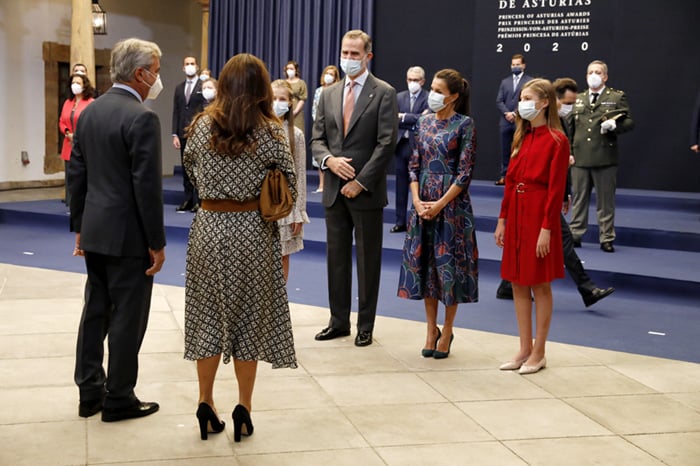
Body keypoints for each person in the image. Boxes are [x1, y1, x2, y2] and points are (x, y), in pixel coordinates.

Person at [183, 53, 298, 443]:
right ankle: (243, 408)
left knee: (208, 316)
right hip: (253, 232)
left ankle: (204, 401)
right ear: (261, 88)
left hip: (209, 228)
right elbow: (291, 185)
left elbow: (190, 170)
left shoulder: (200, 127)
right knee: (249, 321)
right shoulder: (270, 131)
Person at [68, 37, 166, 421]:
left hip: (95, 229)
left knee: (95, 311)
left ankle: (89, 391)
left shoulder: (89, 112)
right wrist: (156, 243)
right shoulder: (142, 117)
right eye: (156, 72)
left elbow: (76, 174)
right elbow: (147, 187)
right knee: (128, 317)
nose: (158, 79)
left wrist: (79, 226)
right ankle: (119, 397)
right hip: (129, 237)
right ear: (140, 74)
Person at [311, 29, 398, 347]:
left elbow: (387, 142)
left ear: (367, 56)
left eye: (354, 54)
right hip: (334, 188)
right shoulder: (329, 93)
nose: (348, 59)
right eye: (344, 53)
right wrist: (329, 162)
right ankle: (338, 321)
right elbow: (317, 139)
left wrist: (361, 181)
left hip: (366, 191)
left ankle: (365, 324)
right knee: (335, 258)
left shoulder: (384, 92)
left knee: (367, 259)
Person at [496, 77, 615, 308]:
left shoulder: (557, 130)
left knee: (559, 238)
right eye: (567, 102)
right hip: (533, 198)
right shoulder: (530, 128)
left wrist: (564, 193)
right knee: (560, 238)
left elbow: (556, 170)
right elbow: (519, 174)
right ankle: (585, 287)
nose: (570, 105)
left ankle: (584, 287)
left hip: (543, 196)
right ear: (554, 100)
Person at [398, 69, 478, 359]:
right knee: (427, 268)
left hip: (452, 207)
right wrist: (418, 201)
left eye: (438, 90)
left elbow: (464, 172)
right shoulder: (422, 122)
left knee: (448, 269)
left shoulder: (465, 124)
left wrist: (440, 203)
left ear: (454, 96)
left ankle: (448, 328)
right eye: (431, 87)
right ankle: (431, 329)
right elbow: (413, 164)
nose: (431, 94)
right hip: (422, 204)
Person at [494, 78, 569, 375]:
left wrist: (547, 228)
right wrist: (502, 220)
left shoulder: (557, 140)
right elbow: (510, 182)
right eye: (520, 97)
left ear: (544, 102)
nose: (521, 103)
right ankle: (524, 347)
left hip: (540, 215)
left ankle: (539, 351)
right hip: (517, 214)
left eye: (527, 98)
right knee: (517, 281)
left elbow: (555, 189)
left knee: (540, 282)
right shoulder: (520, 136)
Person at [569, 60, 634, 253]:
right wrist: (570, 153)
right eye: (590, 72)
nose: (593, 76)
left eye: (597, 72)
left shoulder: (615, 97)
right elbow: (570, 129)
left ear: (605, 76)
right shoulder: (578, 98)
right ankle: (575, 234)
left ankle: (606, 237)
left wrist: (616, 126)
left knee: (605, 202)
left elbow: (629, 121)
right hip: (580, 157)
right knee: (579, 199)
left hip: (605, 157)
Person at [271, 79, 310, 281]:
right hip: (258, 204)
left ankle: (279, 304)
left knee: (282, 255)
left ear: (289, 103)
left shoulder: (296, 134)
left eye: (282, 99)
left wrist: (298, 211)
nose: (277, 103)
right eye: (273, 98)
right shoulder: (256, 129)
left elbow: (300, 174)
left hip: (285, 204)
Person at [391, 66, 430, 233]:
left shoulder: (429, 97)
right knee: (400, 185)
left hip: (420, 147)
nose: (412, 83)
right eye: (409, 79)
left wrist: (404, 117)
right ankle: (400, 221)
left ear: (422, 81)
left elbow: (426, 119)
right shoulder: (399, 97)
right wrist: (413, 118)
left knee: (419, 186)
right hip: (401, 145)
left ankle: (418, 220)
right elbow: (392, 118)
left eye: (415, 80)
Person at [172, 56, 207, 212]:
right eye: (187, 64)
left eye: (192, 64)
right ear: (183, 68)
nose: (190, 66)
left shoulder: (203, 86)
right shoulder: (179, 88)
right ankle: (188, 199)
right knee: (186, 168)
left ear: (197, 66)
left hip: (198, 132)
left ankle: (200, 200)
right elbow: (176, 111)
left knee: (199, 167)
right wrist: (174, 134)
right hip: (182, 133)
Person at [495, 54, 532, 185]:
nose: (515, 67)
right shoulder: (505, 82)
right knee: (505, 150)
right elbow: (499, 100)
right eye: (513, 64)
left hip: (520, 120)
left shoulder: (529, 81)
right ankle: (504, 176)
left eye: (518, 64)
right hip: (505, 121)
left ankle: (519, 176)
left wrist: (515, 114)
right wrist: (507, 113)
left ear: (523, 65)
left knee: (521, 149)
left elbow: (529, 100)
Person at [59, 73, 95, 205]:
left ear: (84, 85)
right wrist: (67, 132)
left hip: (84, 144)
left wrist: (78, 135)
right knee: (69, 175)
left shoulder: (91, 103)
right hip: (68, 143)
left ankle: (84, 203)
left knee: (83, 176)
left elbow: (92, 122)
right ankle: (70, 203)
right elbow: (62, 121)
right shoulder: (68, 102)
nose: (75, 85)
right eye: (73, 83)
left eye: (78, 83)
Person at [311, 65, 341, 193]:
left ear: (336, 77)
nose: (329, 76)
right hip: (320, 126)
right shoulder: (319, 91)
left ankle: (332, 186)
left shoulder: (338, 90)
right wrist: (319, 122)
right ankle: (322, 185)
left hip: (334, 127)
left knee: (333, 154)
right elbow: (315, 108)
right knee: (320, 155)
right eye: (327, 73)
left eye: (332, 74)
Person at [284, 60, 308, 131]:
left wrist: (295, 111)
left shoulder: (301, 83)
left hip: (297, 112)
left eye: (291, 69)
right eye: (287, 69)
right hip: (285, 112)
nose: (289, 70)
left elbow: (302, 99)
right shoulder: (283, 83)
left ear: (296, 70)